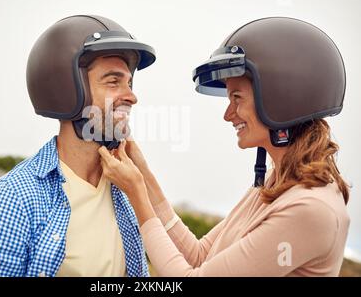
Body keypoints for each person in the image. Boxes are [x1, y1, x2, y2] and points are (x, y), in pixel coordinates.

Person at [98, 17, 351, 276]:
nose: (228, 114)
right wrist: (143, 174)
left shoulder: (309, 209)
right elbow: (199, 256)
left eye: (237, 98)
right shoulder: (275, 184)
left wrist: (137, 194)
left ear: (282, 98)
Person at [0, 15, 156, 277]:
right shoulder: (12, 201)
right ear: (66, 90)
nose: (131, 96)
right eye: (113, 81)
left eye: (129, 83)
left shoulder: (123, 193)